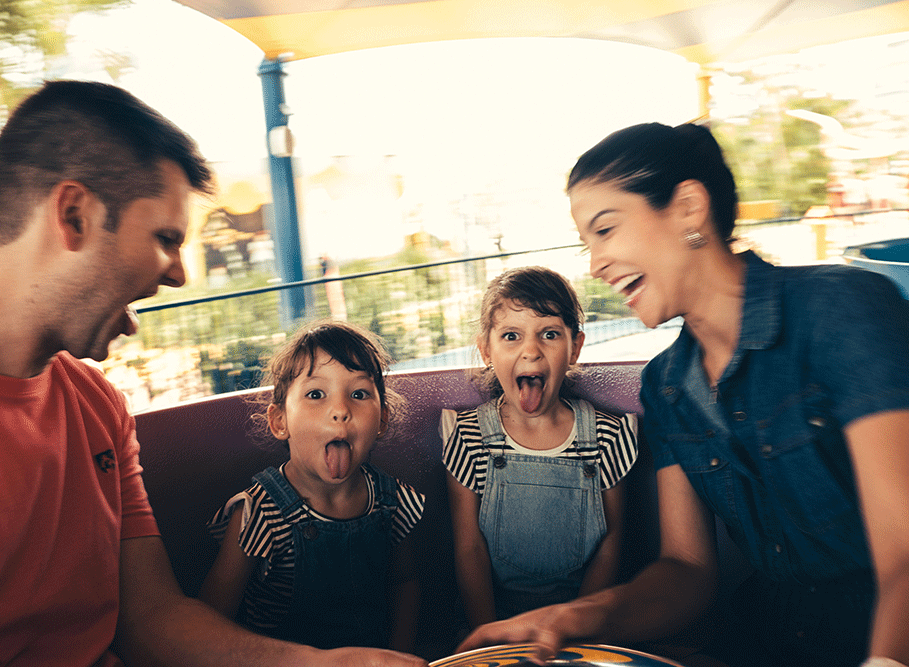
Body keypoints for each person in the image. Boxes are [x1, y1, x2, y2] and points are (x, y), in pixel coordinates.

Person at [0, 79, 427, 667]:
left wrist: (321, 663)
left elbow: (151, 616)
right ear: (74, 214)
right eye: (165, 239)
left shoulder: (97, 406)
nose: (180, 274)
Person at [454, 122, 909, 667]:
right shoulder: (666, 386)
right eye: (587, 243)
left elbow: (904, 554)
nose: (595, 264)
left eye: (606, 230)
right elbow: (687, 571)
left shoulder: (843, 310)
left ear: (689, 208)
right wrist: (580, 616)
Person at [200, 320, 426, 652]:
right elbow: (213, 619)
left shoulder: (393, 502)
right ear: (280, 421)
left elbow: (405, 584)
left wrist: (400, 653)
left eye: (359, 394)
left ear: (382, 420)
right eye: (316, 394)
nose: (340, 410)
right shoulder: (258, 515)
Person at [441, 266, 638, 631]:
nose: (531, 351)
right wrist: (489, 634)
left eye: (549, 334)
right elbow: (469, 550)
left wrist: (574, 626)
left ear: (574, 347)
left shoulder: (609, 437)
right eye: (511, 336)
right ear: (486, 350)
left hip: (581, 625)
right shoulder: (468, 437)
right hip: (495, 624)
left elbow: (612, 543)